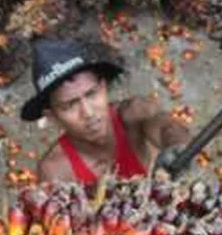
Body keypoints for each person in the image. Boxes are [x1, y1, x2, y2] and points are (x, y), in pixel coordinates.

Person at [21, 38, 192, 188]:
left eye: (91, 94)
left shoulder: (134, 113)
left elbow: (165, 127)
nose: (88, 113)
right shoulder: (55, 171)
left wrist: (176, 146)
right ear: (53, 117)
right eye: (70, 105)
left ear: (103, 88)